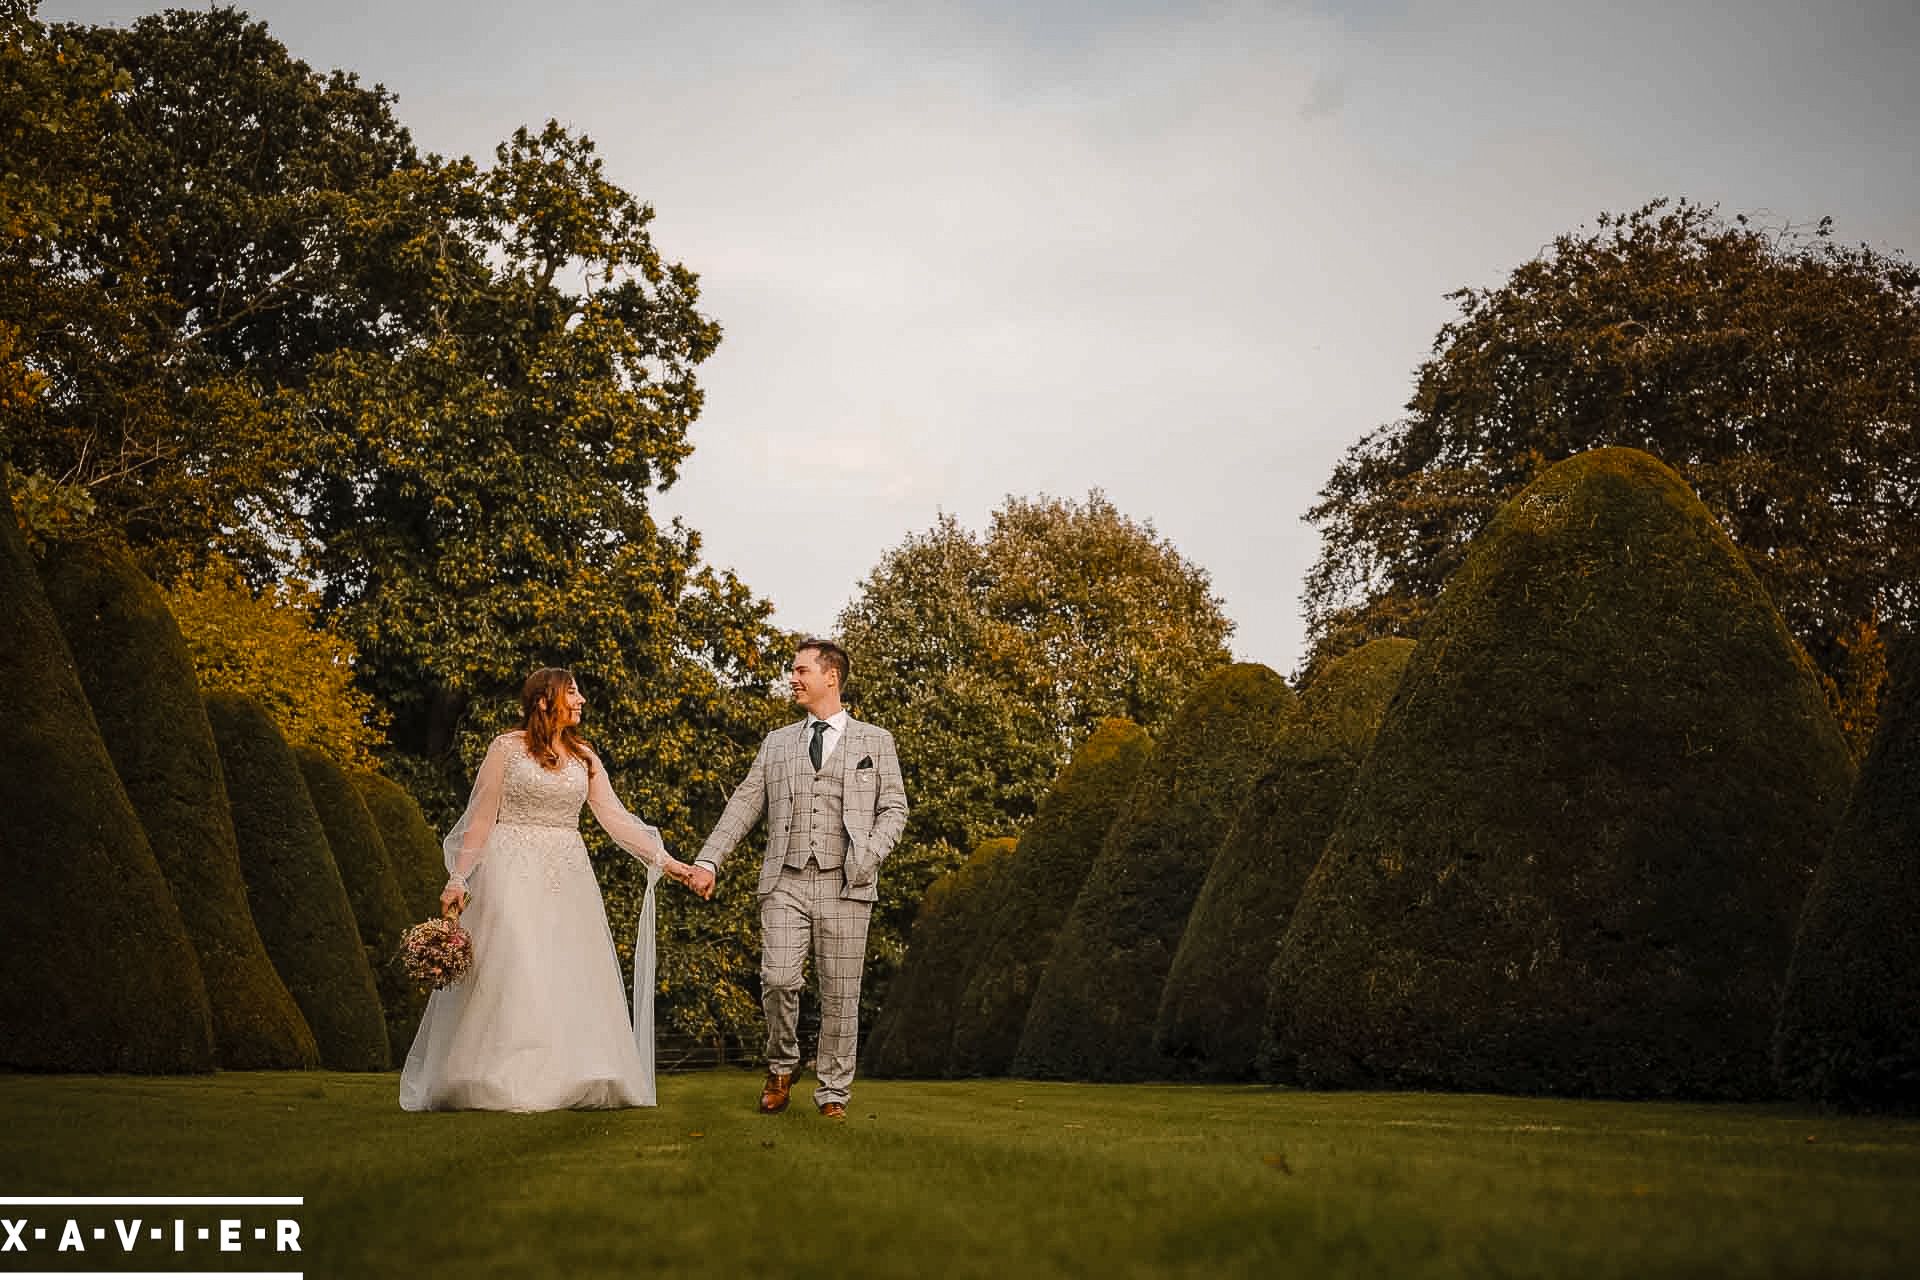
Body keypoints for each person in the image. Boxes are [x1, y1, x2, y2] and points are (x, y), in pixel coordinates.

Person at [399, 668, 697, 1111]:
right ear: (543, 701)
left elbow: (615, 820)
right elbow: (480, 819)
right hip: (509, 868)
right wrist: (459, 877)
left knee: (565, 968)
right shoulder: (506, 749)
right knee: (518, 963)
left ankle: (569, 1072)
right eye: (572, 694)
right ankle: (498, 1075)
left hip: (568, 872)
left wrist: (668, 862)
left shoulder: (585, 758)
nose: (581, 702)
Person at [686, 638, 909, 1118]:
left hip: (848, 883)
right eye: (793, 670)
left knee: (841, 994)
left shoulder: (876, 741)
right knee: (779, 979)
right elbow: (745, 804)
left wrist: (868, 857)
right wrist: (709, 860)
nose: (793, 677)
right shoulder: (777, 742)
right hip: (785, 879)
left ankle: (832, 1092)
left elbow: (895, 809)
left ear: (831, 677)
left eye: (800, 669)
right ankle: (782, 1064)